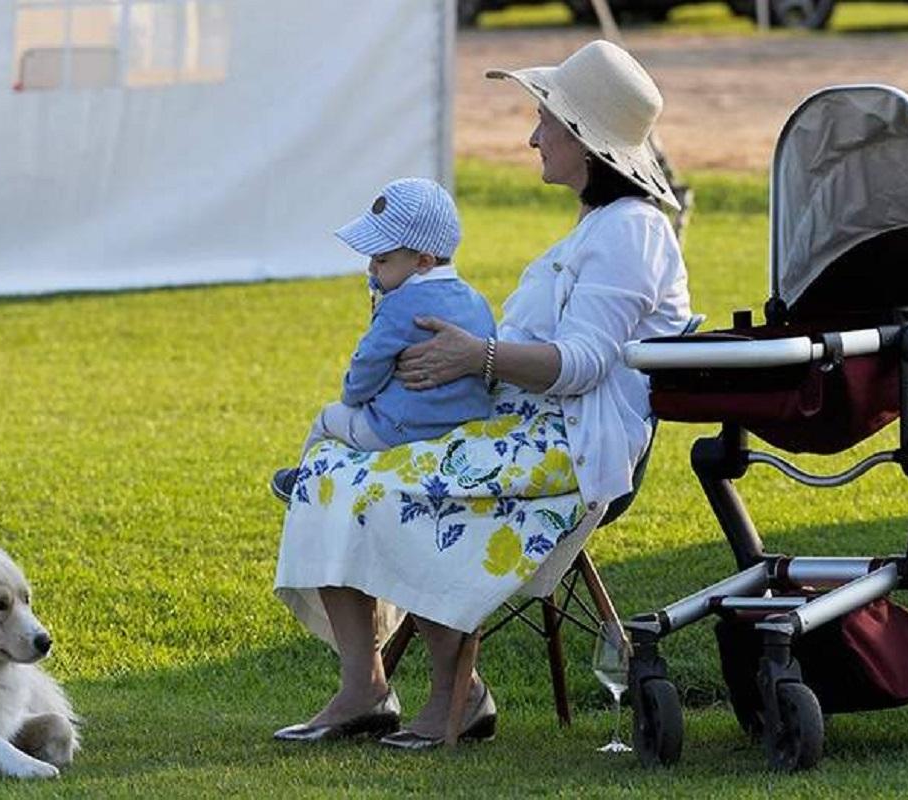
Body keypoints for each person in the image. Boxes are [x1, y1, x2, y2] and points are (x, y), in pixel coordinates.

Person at [272, 39, 692, 749]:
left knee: (393, 489)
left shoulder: (635, 234)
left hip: (572, 452)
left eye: (545, 122)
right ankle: (364, 686)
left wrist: (479, 356)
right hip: (518, 435)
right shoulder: (599, 227)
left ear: (584, 140)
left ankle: (458, 697)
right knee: (327, 475)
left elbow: (585, 364)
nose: (533, 136)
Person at [271, 177, 496, 502]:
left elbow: (369, 363)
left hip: (402, 429)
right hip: (465, 427)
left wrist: (353, 395)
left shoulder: (400, 305)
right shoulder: (477, 301)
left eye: (381, 260)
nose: (371, 268)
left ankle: (299, 486)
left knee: (328, 418)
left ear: (423, 261)